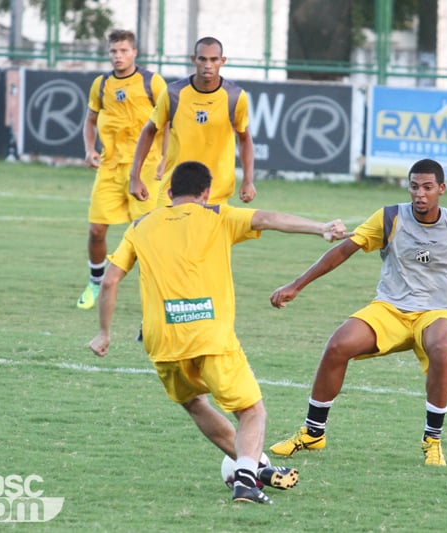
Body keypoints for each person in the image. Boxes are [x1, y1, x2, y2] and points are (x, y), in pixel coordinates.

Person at [88, 161, 349, 503]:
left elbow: (109, 280)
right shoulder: (218, 215)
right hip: (209, 334)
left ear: (169, 194)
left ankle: (254, 466)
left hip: (162, 340)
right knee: (252, 411)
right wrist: (320, 228)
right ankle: (245, 479)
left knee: (195, 403)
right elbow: (268, 219)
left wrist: (103, 333)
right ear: (206, 192)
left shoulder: (140, 225)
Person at [268, 158, 447, 466]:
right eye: (414, 187)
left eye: (428, 187)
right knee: (338, 345)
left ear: (441, 189)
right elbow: (341, 251)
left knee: (442, 348)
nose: (420, 194)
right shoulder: (389, 217)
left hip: (438, 313)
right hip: (390, 309)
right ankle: (313, 432)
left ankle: (432, 440)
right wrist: (297, 285)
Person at [77, 29, 167, 310]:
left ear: (135, 53)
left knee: (146, 234)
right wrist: (90, 149)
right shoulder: (101, 84)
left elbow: (172, 120)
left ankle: (153, 292)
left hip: (146, 169)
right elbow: (90, 120)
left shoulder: (152, 82)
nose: (118, 56)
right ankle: (95, 280)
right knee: (96, 230)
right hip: (110, 168)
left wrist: (166, 158)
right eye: (114, 52)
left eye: (124, 51)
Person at [129, 36, 256, 208]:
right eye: (202, 59)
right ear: (193, 59)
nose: (208, 65)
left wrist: (248, 180)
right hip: (173, 191)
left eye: (214, 59)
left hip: (215, 194)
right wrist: (135, 177)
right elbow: (149, 131)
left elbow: (244, 138)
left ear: (222, 61)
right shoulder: (173, 93)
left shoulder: (235, 97)